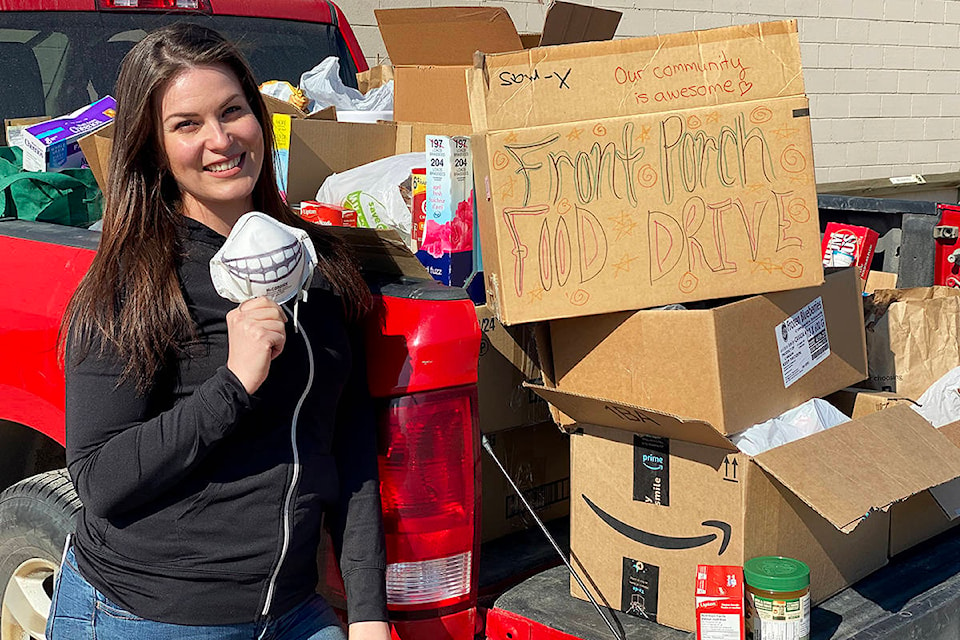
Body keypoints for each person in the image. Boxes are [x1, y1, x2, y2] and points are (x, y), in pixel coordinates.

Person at [48, 23, 390, 640]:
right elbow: (100, 480)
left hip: (291, 610)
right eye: (187, 125)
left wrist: (367, 613)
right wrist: (233, 383)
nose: (220, 139)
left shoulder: (318, 262)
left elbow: (349, 442)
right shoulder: (135, 283)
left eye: (233, 111)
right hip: (152, 614)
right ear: (153, 148)